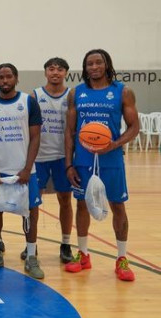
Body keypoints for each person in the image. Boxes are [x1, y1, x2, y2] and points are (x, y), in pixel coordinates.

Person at [64, 49, 139, 281]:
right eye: (89, 64)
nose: (94, 67)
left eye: (98, 62)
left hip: (111, 159)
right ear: (85, 68)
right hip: (83, 160)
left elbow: (134, 127)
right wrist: (69, 165)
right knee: (82, 206)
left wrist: (114, 144)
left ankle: (122, 258)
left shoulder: (122, 92)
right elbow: (70, 131)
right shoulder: (76, 93)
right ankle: (83, 254)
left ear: (107, 65)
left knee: (118, 206)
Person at [0, 63, 44, 279]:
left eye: (9, 77)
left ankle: (32, 255)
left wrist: (27, 168)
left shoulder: (28, 102)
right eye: (1, 78)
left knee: (31, 213)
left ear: (16, 78)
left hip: (25, 171)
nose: (5, 81)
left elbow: (35, 137)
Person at [28, 57, 74, 263]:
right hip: (38, 157)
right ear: (45, 72)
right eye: (51, 69)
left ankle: (65, 243)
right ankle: (31, 245)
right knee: (32, 204)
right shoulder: (35, 95)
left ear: (66, 73)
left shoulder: (71, 95)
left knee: (65, 200)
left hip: (63, 157)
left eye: (60, 69)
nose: (55, 73)